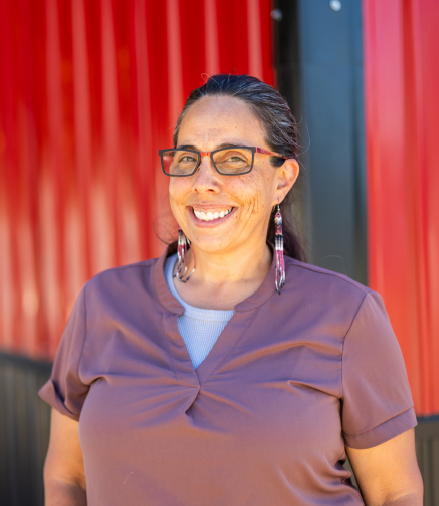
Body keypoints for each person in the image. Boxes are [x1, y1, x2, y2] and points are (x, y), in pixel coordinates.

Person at [40, 74, 423, 506]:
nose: (203, 181)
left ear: (282, 180)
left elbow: (396, 493)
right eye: (188, 158)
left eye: (233, 159)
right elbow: (66, 476)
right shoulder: (103, 302)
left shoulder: (347, 315)